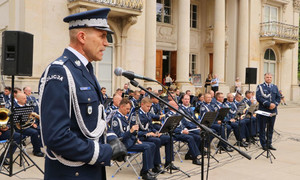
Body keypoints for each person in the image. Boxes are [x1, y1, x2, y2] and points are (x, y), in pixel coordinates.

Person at [39, 8, 114, 179]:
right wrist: (101, 152)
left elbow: (93, 121)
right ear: (82, 37)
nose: (106, 43)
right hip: (71, 173)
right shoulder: (60, 71)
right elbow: (56, 137)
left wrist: (111, 138)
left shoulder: (85, 70)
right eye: (102, 36)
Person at [111, 98, 157, 180]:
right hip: (123, 145)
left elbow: (130, 134)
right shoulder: (116, 119)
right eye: (127, 109)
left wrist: (136, 139)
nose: (128, 111)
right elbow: (118, 137)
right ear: (121, 107)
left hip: (130, 142)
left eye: (129, 109)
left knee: (153, 145)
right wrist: (131, 131)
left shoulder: (123, 117)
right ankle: (144, 173)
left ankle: (148, 169)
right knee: (147, 147)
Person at [256, 73, 281, 151]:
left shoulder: (275, 87)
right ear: (264, 78)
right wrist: (268, 104)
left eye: (270, 77)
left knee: (270, 128)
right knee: (262, 128)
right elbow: (259, 98)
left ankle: (269, 143)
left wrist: (275, 104)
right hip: (264, 110)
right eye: (267, 77)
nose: (269, 78)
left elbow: (278, 97)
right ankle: (263, 144)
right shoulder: (260, 87)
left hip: (273, 110)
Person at [14, 93, 44, 157]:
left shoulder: (27, 106)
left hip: (28, 125)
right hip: (19, 127)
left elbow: (30, 117)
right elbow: (14, 120)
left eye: (26, 98)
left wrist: (33, 123)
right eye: (24, 98)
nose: (26, 100)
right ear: (18, 99)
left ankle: (39, 144)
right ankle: (36, 151)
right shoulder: (14, 106)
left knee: (42, 129)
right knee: (34, 133)